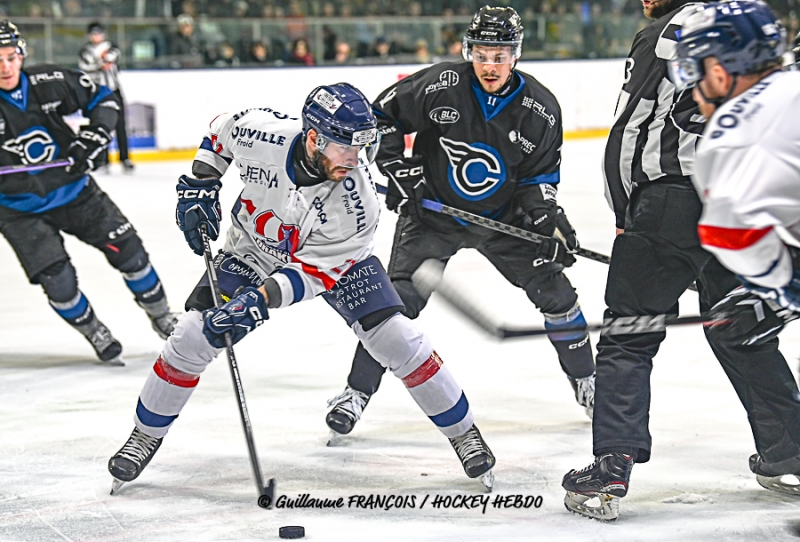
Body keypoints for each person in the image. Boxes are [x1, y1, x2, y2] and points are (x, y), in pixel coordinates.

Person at [106, 83, 497, 492]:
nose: (355, 158)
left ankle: (463, 433)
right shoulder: (262, 133)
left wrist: (258, 301)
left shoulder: (358, 202)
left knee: (399, 339)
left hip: (337, 266)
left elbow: (315, 275)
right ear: (313, 138)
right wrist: (201, 183)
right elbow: (220, 132)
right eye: (345, 147)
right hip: (250, 253)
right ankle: (144, 436)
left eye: (362, 146)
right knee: (191, 336)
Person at [561, 0, 800, 521]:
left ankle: (611, 468)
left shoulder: (661, 35)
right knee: (743, 327)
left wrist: (627, 211)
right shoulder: (748, 28)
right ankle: (792, 452)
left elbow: (630, 131)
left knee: (630, 334)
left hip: (668, 202)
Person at [324, 6, 595, 442]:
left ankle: (587, 381)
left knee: (557, 293)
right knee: (397, 302)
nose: (491, 65)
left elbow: (538, 180)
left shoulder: (540, 110)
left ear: (516, 55)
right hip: (433, 214)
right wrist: (398, 167)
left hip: (504, 219)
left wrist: (549, 218)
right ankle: (355, 392)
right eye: (483, 54)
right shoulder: (441, 84)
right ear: (469, 50)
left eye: (500, 55)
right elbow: (380, 119)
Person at [670, 0, 800, 497]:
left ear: (721, 71)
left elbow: (733, 240)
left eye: (695, 68)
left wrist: (774, 294)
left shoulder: (729, 140)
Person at [0, 21, 178, 365]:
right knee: (59, 285)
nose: (5, 67)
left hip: (75, 191)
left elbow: (103, 97)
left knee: (131, 254)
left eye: (10, 57)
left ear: (21, 55)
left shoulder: (47, 82)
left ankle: (160, 315)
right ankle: (93, 328)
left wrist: (95, 136)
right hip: (17, 209)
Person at [78, 22, 134, 172]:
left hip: (114, 90)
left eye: (99, 33)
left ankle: (125, 158)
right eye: (94, 34)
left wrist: (103, 61)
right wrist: (100, 64)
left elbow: (114, 56)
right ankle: (104, 159)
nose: (97, 37)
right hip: (98, 93)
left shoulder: (111, 47)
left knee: (121, 125)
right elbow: (86, 68)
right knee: (101, 125)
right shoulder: (85, 51)